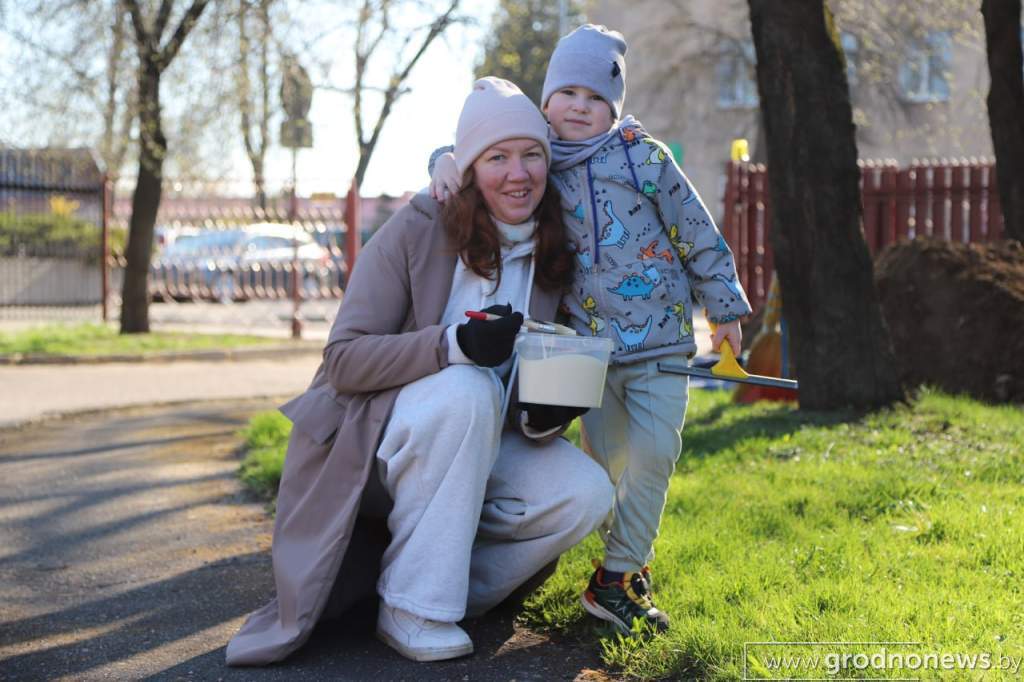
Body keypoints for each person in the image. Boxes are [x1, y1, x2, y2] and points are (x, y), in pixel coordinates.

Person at [225, 77, 614, 666]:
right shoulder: (417, 228)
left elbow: (514, 398)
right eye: (497, 157)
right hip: (375, 445)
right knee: (465, 389)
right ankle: (415, 608)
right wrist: (454, 343)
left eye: (531, 155)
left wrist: (545, 414)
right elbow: (343, 359)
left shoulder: (552, 248)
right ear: (469, 167)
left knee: (585, 492)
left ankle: (431, 592)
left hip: (476, 442)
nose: (518, 174)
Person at [429, 25, 753, 636]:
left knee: (654, 457)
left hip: (661, 345)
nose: (579, 107)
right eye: (567, 93)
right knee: (603, 470)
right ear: (546, 99)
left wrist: (724, 307)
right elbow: (481, 143)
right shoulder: (539, 159)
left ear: (615, 107)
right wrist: (443, 162)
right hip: (589, 352)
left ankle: (618, 575)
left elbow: (695, 230)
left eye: (596, 97)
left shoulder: (643, 157)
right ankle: (624, 569)